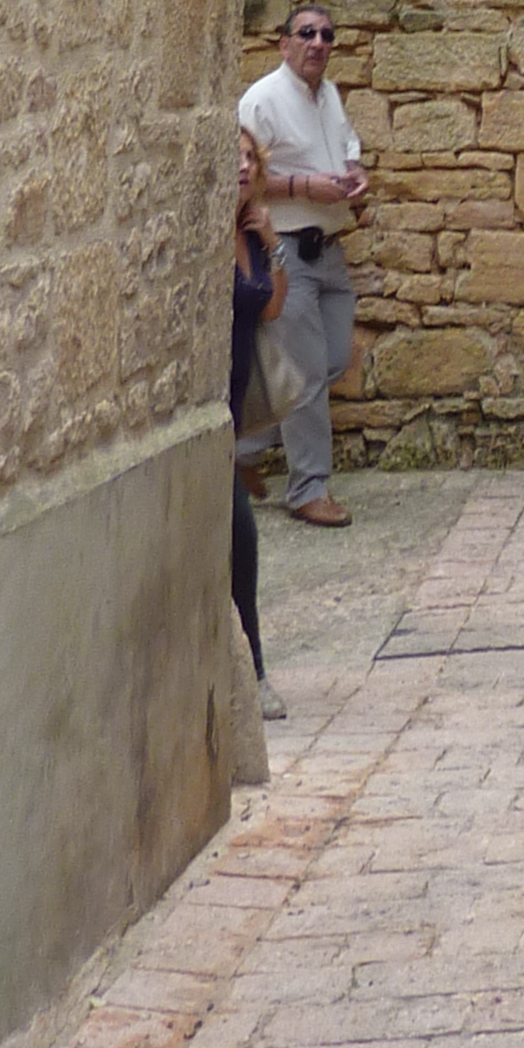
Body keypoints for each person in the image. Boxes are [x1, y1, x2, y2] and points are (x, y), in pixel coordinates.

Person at [236, 1, 367, 527]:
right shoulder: (261, 100)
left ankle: (241, 449)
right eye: (307, 33)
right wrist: (302, 186)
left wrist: (355, 176)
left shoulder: (329, 95)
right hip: (286, 248)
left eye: (327, 35)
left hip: (330, 249)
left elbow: (347, 148)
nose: (318, 43)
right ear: (284, 42)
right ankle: (308, 490)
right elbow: (240, 172)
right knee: (309, 374)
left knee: (331, 362)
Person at [229, 126, 289, 717]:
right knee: (240, 538)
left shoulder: (250, 235)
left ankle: (250, 671)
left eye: (250, 157)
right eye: (234, 156)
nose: (243, 166)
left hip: (232, 413)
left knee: (238, 543)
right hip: (208, 413)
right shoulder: (206, 238)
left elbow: (272, 305)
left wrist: (273, 244)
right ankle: (255, 674)